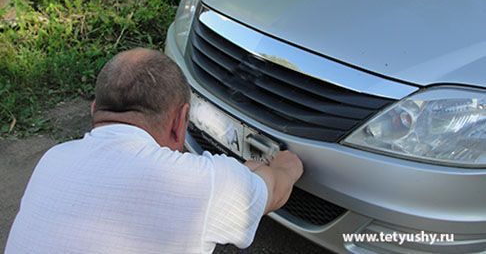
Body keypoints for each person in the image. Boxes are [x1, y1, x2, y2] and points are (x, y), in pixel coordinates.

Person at [5, 48, 303, 253]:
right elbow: (277, 186)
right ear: (179, 120)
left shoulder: (54, 158)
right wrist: (280, 163)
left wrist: (241, 174)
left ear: (95, 110)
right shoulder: (197, 185)